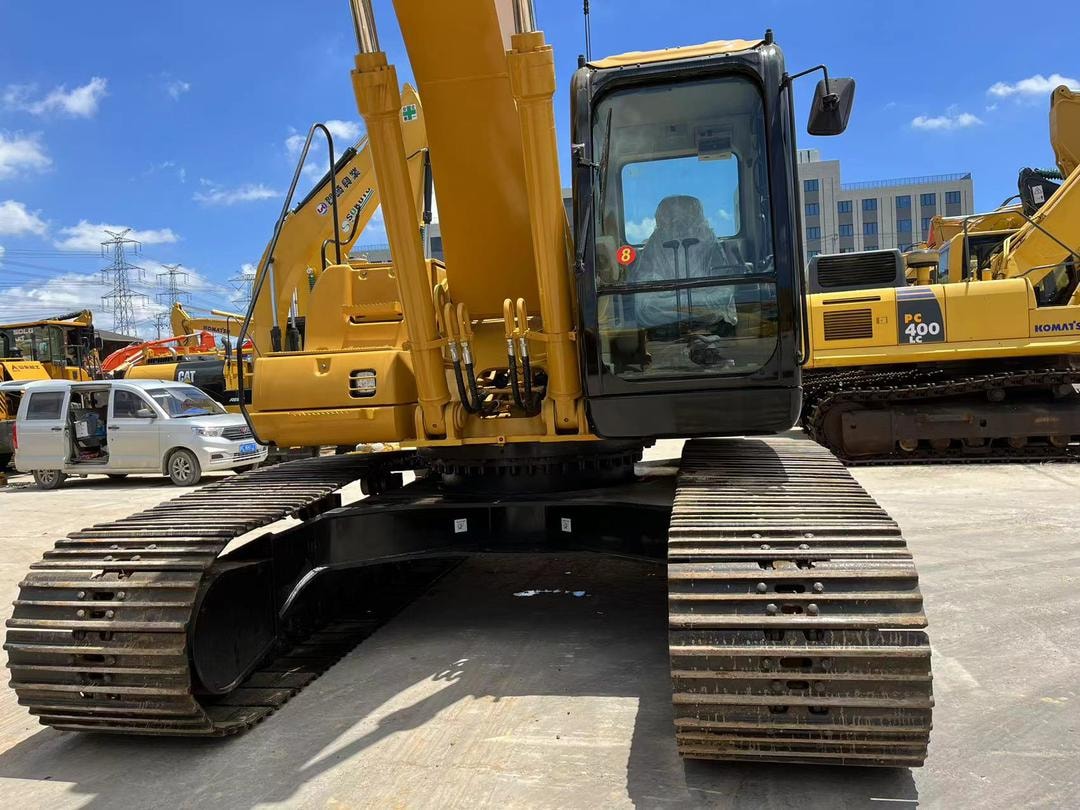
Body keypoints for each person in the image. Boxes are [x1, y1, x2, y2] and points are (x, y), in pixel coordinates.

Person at [631, 195, 738, 339]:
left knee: (718, 301)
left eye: (684, 214)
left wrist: (685, 299)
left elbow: (723, 283)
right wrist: (676, 296)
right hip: (666, 305)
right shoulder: (655, 242)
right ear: (663, 218)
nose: (678, 220)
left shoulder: (708, 238)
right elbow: (646, 285)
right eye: (672, 215)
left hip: (690, 303)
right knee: (646, 305)